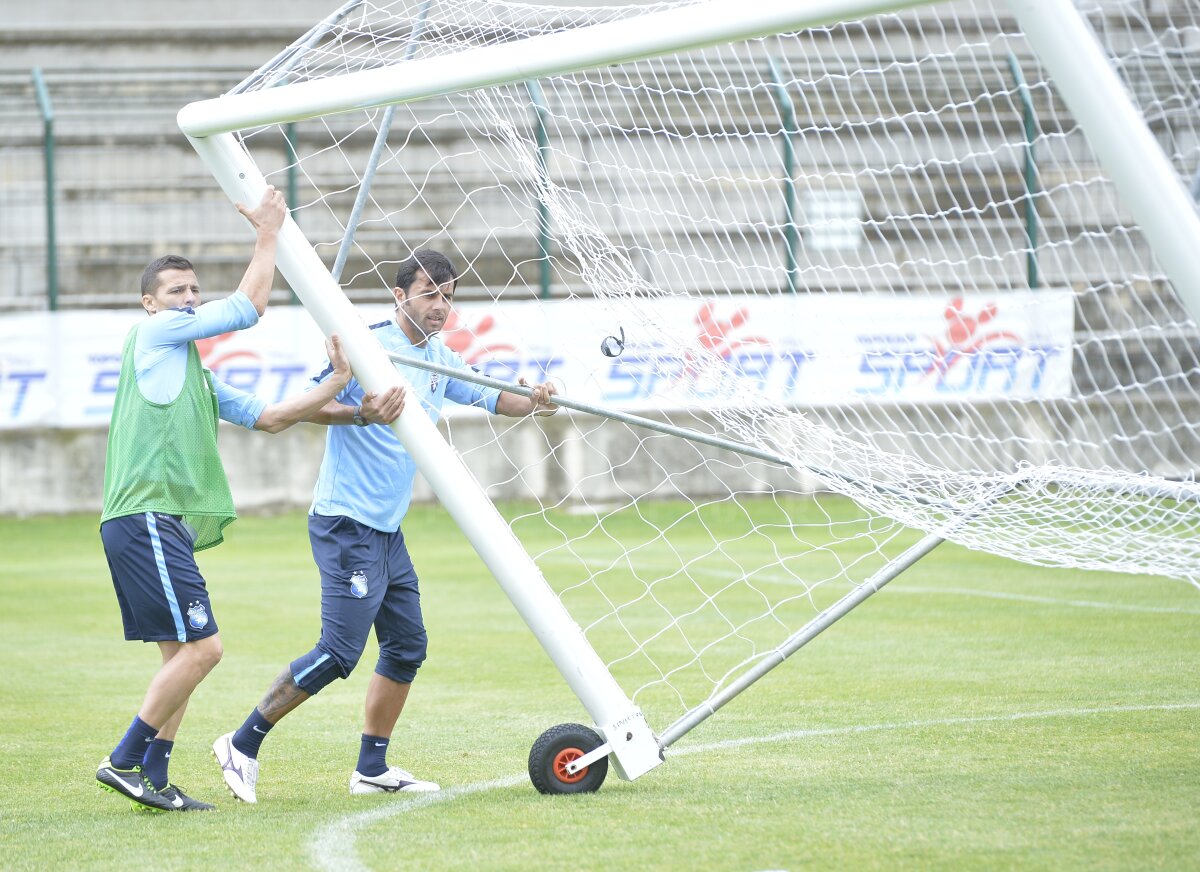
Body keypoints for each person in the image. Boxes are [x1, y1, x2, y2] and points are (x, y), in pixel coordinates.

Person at [213, 248, 558, 802]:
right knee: (339, 652)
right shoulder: (368, 345)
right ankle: (241, 743)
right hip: (344, 522)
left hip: (387, 531)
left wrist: (535, 400)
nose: (440, 306)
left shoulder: (439, 356)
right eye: (429, 294)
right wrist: (361, 412)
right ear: (400, 295)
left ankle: (371, 768)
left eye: (448, 297)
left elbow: (496, 397)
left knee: (406, 646)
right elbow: (306, 405)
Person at [95, 186, 357, 813]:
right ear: (150, 303)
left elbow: (272, 417)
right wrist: (268, 232)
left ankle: (155, 778)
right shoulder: (154, 334)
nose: (188, 299)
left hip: (150, 523)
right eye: (175, 292)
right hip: (146, 516)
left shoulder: (196, 374)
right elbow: (249, 307)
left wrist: (344, 392)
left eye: (194, 290)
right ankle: (123, 761)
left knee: (180, 658)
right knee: (206, 650)